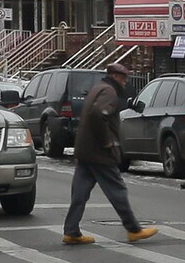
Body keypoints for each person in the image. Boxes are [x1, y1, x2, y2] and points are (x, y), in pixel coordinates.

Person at [61, 61, 158, 246]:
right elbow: (98, 114)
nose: (124, 82)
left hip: (85, 149)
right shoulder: (109, 92)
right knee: (117, 190)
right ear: (115, 77)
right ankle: (134, 229)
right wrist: (107, 140)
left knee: (80, 193)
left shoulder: (98, 88)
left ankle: (71, 231)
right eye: (123, 79)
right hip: (99, 152)